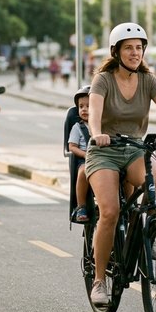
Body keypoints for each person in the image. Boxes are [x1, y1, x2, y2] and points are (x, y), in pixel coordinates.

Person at [87, 22, 156, 306]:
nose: (135, 53)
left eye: (139, 48)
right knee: (111, 211)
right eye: (128, 48)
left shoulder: (149, 80)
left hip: (135, 148)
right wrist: (96, 134)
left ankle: (152, 233)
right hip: (105, 151)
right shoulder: (103, 80)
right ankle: (100, 280)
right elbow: (94, 114)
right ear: (116, 52)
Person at [68, 85, 91, 223]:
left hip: (104, 158)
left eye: (88, 106)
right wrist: (85, 155)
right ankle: (81, 206)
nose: (84, 109)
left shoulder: (104, 125)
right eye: (81, 106)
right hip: (85, 160)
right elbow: (72, 147)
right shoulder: (78, 128)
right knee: (83, 172)